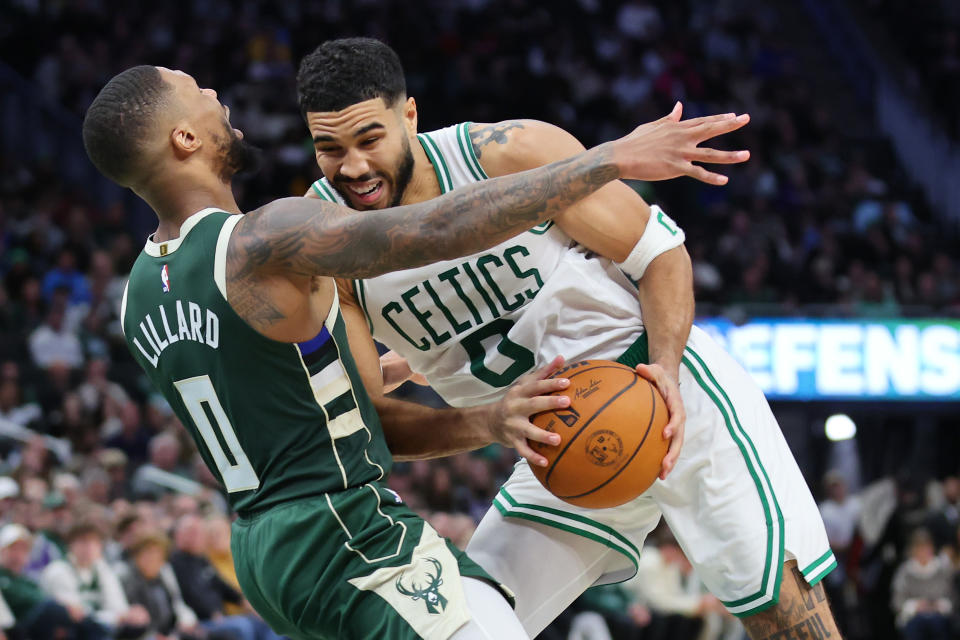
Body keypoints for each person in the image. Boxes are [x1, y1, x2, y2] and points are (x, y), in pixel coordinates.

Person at [82, 64, 743, 639]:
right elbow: (433, 226)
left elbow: (332, 402)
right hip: (343, 530)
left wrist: (489, 420)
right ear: (184, 138)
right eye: (196, 90)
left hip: (264, 551)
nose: (215, 93)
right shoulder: (264, 237)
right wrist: (606, 160)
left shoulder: (137, 294)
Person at [296, 37, 838, 639]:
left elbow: (659, 255)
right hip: (555, 449)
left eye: (369, 140)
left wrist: (665, 366)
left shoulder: (506, 153)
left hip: (662, 393)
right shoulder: (323, 239)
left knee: (784, 619)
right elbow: (370, 418)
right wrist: (428, 372)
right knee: (467, 626)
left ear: (410, 116)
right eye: (329, 149)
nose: (353, 168)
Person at [39, 521, 151, 636]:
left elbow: (118, 606)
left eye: (94, 541)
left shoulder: (102, 569)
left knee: (138, 623)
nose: (89, 547)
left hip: (100, 627)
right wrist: (116, 618)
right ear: (71, 544)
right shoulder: (58, 570)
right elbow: (76, 615)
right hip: (70, 631)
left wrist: (129, 615)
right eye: (83, 541)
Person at [0, 523, 108, 640]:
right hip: (17, 629)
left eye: (23, 549)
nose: (18, 555)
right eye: (13, 549)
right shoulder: (3, 577)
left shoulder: (27, 580)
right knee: (55, 608)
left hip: (42, 626)